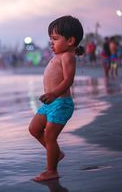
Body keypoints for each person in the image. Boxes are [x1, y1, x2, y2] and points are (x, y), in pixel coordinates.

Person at [28, 15, 84, 182]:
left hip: (61, 103)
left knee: (51, 137)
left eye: (55, 38)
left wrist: (54, 94)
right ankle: (56, 153)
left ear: (70, 40)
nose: (51, 42)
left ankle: (51, 170)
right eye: (50, 39)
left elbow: (68, 80)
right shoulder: (58, 55)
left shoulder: (68, 57)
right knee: (34, 129)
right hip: (50, 104)